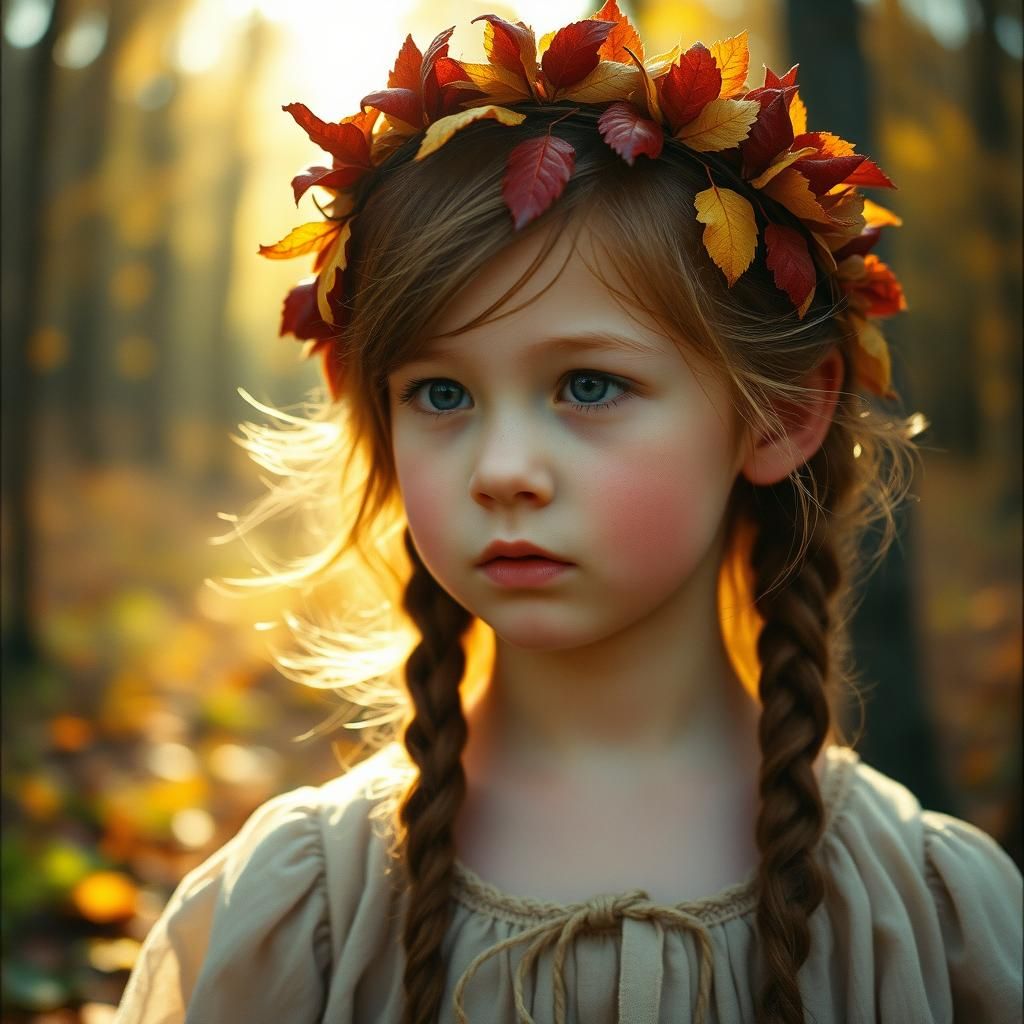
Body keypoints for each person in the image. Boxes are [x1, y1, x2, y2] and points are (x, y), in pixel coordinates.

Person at [113, 5, 1023, 1023]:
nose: (502, 471)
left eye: (588, 385)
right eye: (441, 394)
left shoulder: (926, 916)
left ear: (779, 414)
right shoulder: (297, 911)